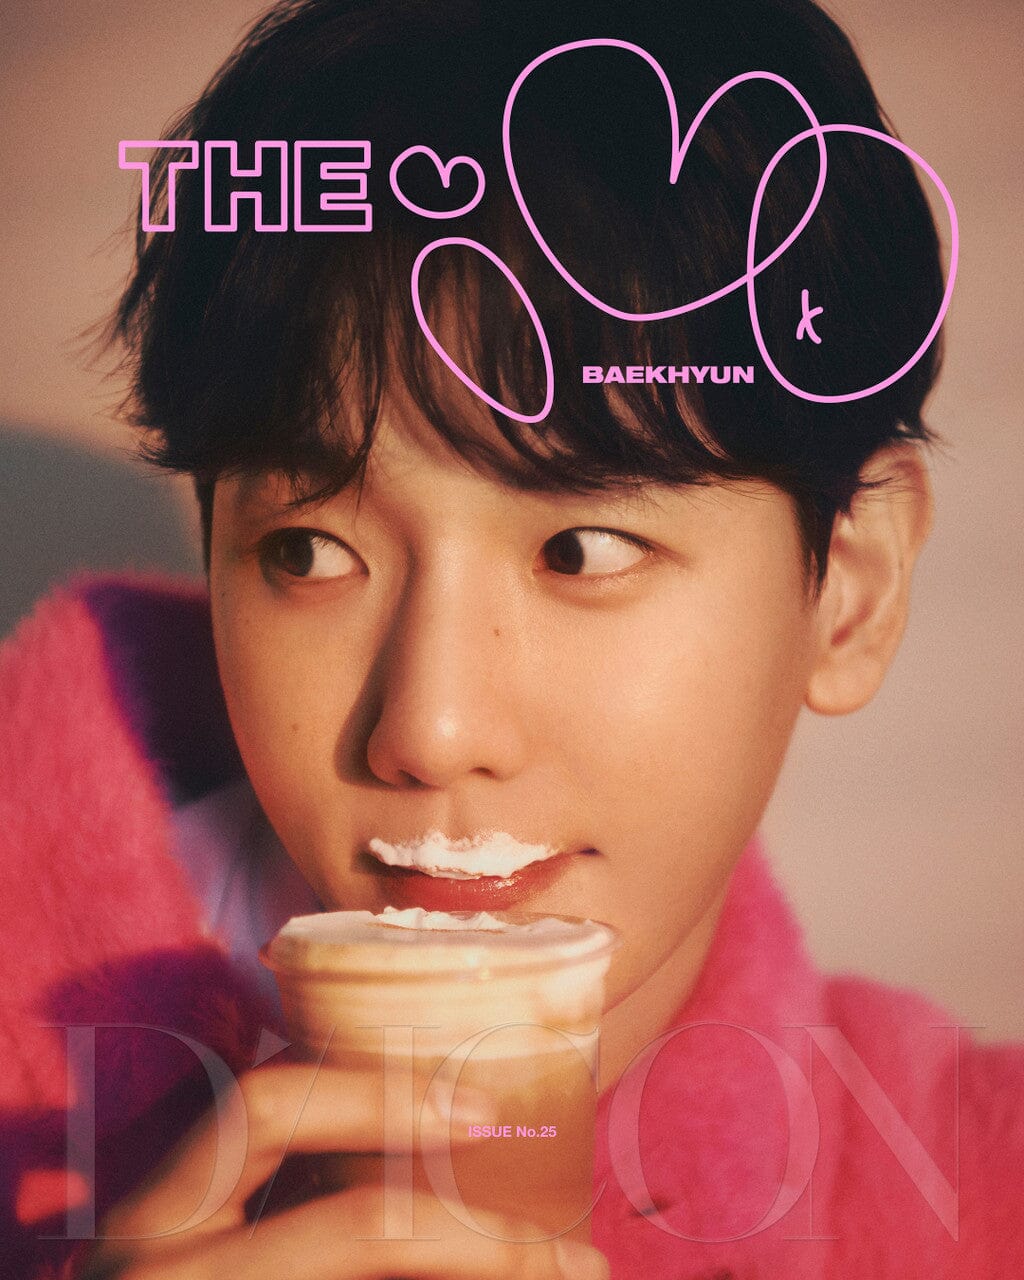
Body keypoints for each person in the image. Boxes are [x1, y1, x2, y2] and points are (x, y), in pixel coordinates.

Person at [1, 0, 1020, 1276]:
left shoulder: (975, 1189)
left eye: (579, 549)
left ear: (849, 590)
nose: (429, 730)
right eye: (309, 550)